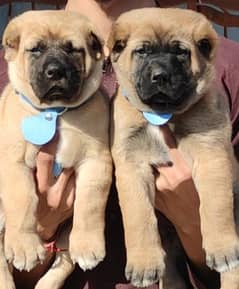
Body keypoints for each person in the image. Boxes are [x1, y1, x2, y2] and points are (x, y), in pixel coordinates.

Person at [1, 0, 238, 288]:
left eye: (179, 52)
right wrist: (38, 229)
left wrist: (194, 227)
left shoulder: (228, 69)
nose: (159, 72)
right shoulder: (8, 77)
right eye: (142, 51)